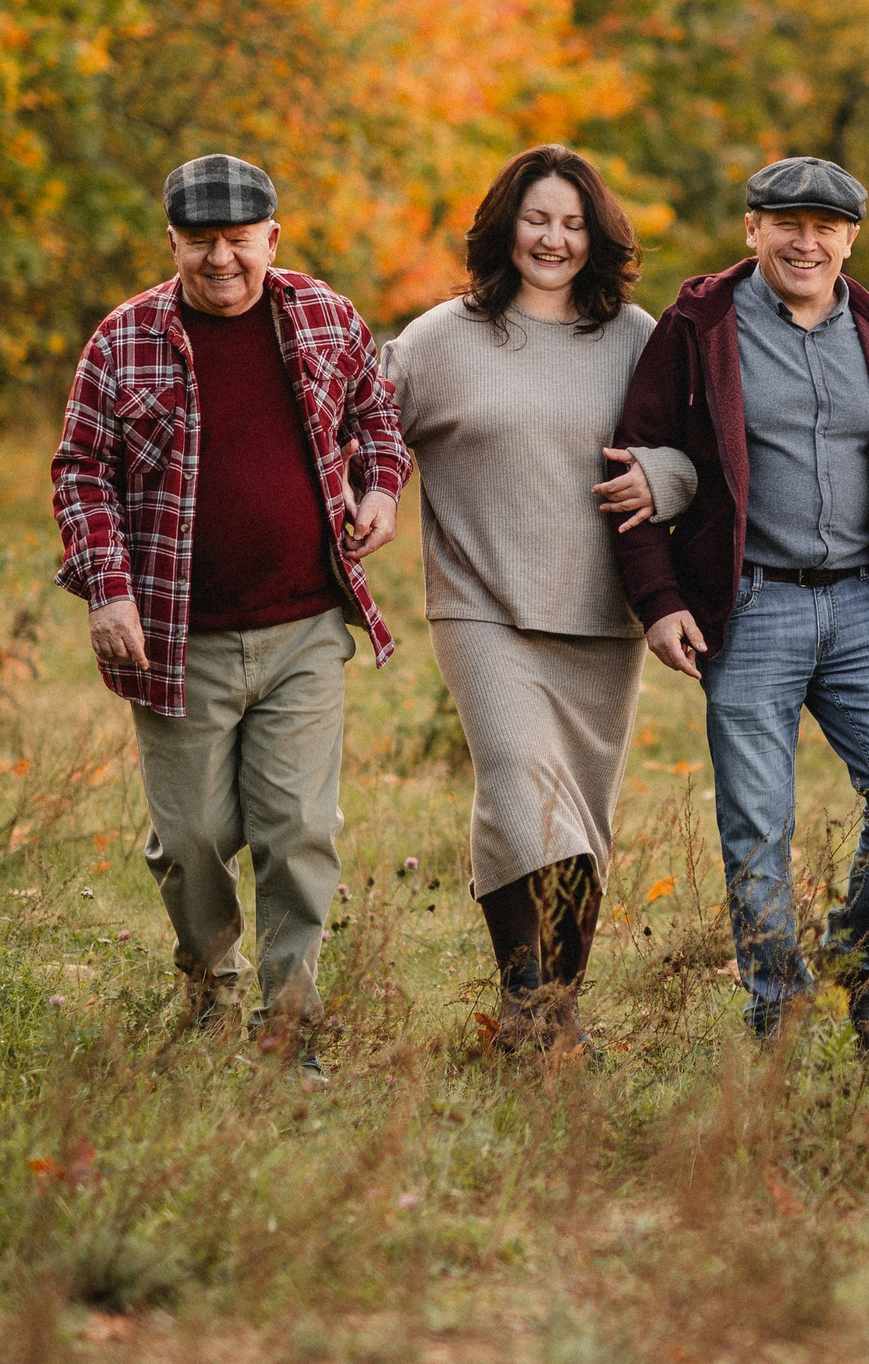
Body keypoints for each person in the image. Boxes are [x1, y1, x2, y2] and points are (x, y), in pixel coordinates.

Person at [613, 156, 869, 1063]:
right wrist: (659, 600)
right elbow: (629, 466)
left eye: (827, 226)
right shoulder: (698, 326)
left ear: (851, 239)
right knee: (757, 827)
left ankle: (851, 966)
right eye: (787, 222)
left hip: (865, 609)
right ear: (752, 230)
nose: (806, 240)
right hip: (749, 610)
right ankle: (777, 1018)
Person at [50, 154, 409, 1081]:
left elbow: (376, 414)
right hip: (176, 635)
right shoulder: (123, 339)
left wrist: (381, 488)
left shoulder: (324, 315)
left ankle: (290, 1026)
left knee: (297, 830)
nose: (221, 260)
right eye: (200, 242)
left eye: (238, 241)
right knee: (196, 838)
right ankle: (209, 985)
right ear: (171, 242)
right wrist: (109, 588)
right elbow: (80, 469)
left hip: (301, 625)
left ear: (271, 239)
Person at [380, 144, 697, 1053]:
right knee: (520, 785)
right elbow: (368, 433)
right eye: (536, 219)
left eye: (571, 223)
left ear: (595, 235)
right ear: (504, 227)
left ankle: (552, 1008)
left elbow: (694, 451)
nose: (553, 238)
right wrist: (372, 495)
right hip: (481, 605)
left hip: (603, 613)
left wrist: (663, 482)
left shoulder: (635, 336)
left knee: (582, 814)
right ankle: (528, 1000)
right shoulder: (442, 337)